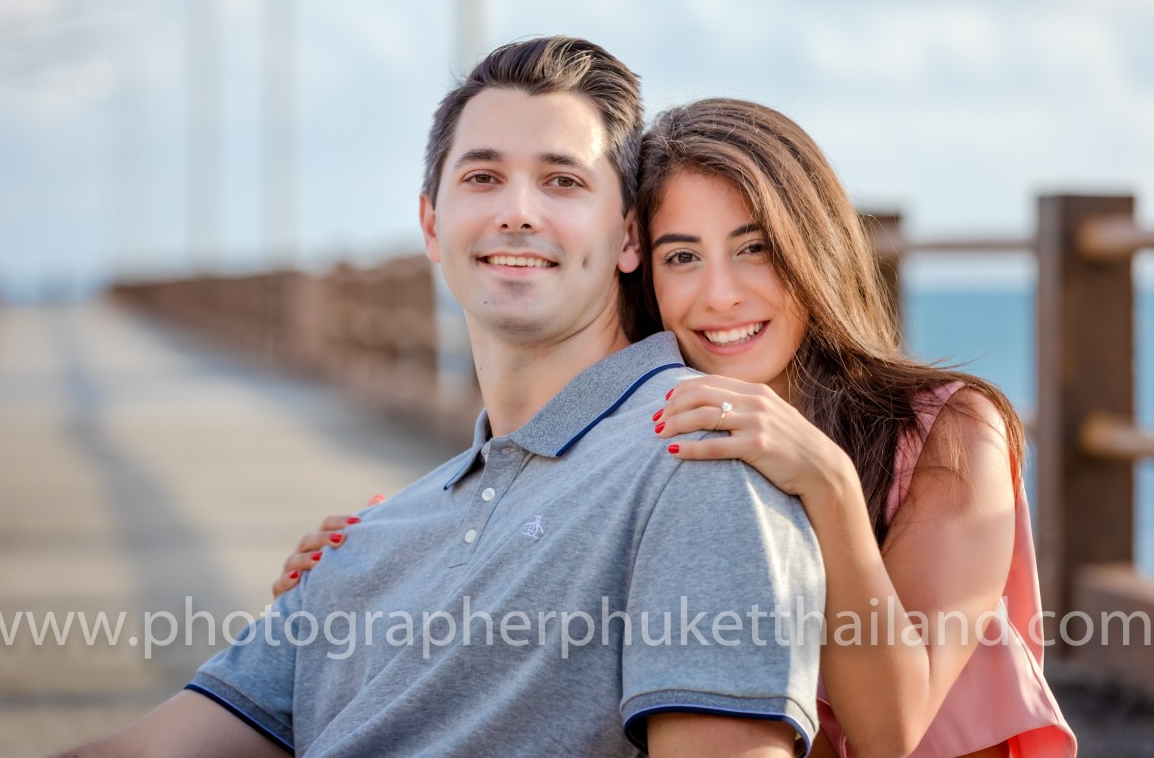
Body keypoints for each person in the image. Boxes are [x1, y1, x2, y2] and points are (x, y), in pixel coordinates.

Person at [56, 38, 824, 758]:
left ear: (628, 238)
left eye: (562, 181)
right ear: (431, 224)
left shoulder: (695, 456)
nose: (517, 211)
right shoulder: (368, 540)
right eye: (482, 177)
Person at [279, 98, 1076, 757]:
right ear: (641, 265)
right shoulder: (658, 442)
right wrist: (377, 565)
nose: (720, 295)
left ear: (814, 249)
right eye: (683, 257)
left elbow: (891, 731)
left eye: (755, 249)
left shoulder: (948, 431)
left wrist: (830, 486)